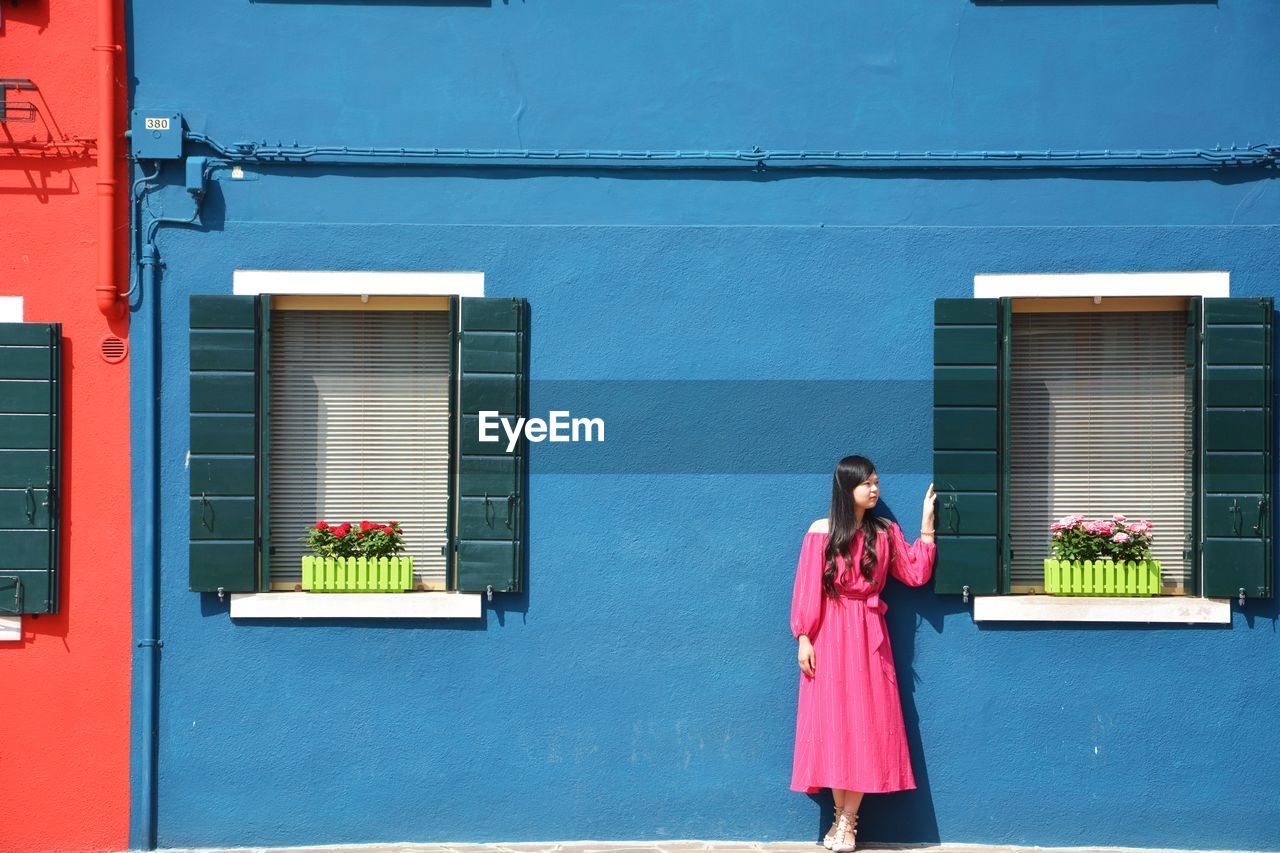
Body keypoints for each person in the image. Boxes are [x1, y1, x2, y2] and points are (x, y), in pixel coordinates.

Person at [790, 455, 937, 852]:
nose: (874, 489)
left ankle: (848, 822)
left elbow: (914, 573)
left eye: (876, 482)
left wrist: (926, 527)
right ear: (846, 487)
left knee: (865, 725)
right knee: (836, 727)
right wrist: (804, 637)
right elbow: (808, 589)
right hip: (828, 636)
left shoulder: (885, 531)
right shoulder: (820, 532)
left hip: (870, 636)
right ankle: (842, 818)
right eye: (866, 483)